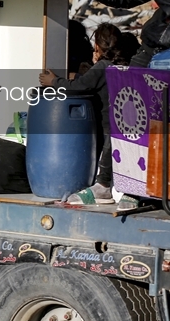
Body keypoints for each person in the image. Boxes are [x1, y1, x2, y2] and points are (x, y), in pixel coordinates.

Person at [39, 23, 132, 205]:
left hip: (107, 124)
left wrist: (54, 81)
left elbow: (79, 87)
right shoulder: (123, 65)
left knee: (106, 158)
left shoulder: (102, 66)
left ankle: (102, 187)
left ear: (97, 46)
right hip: (122, 122)